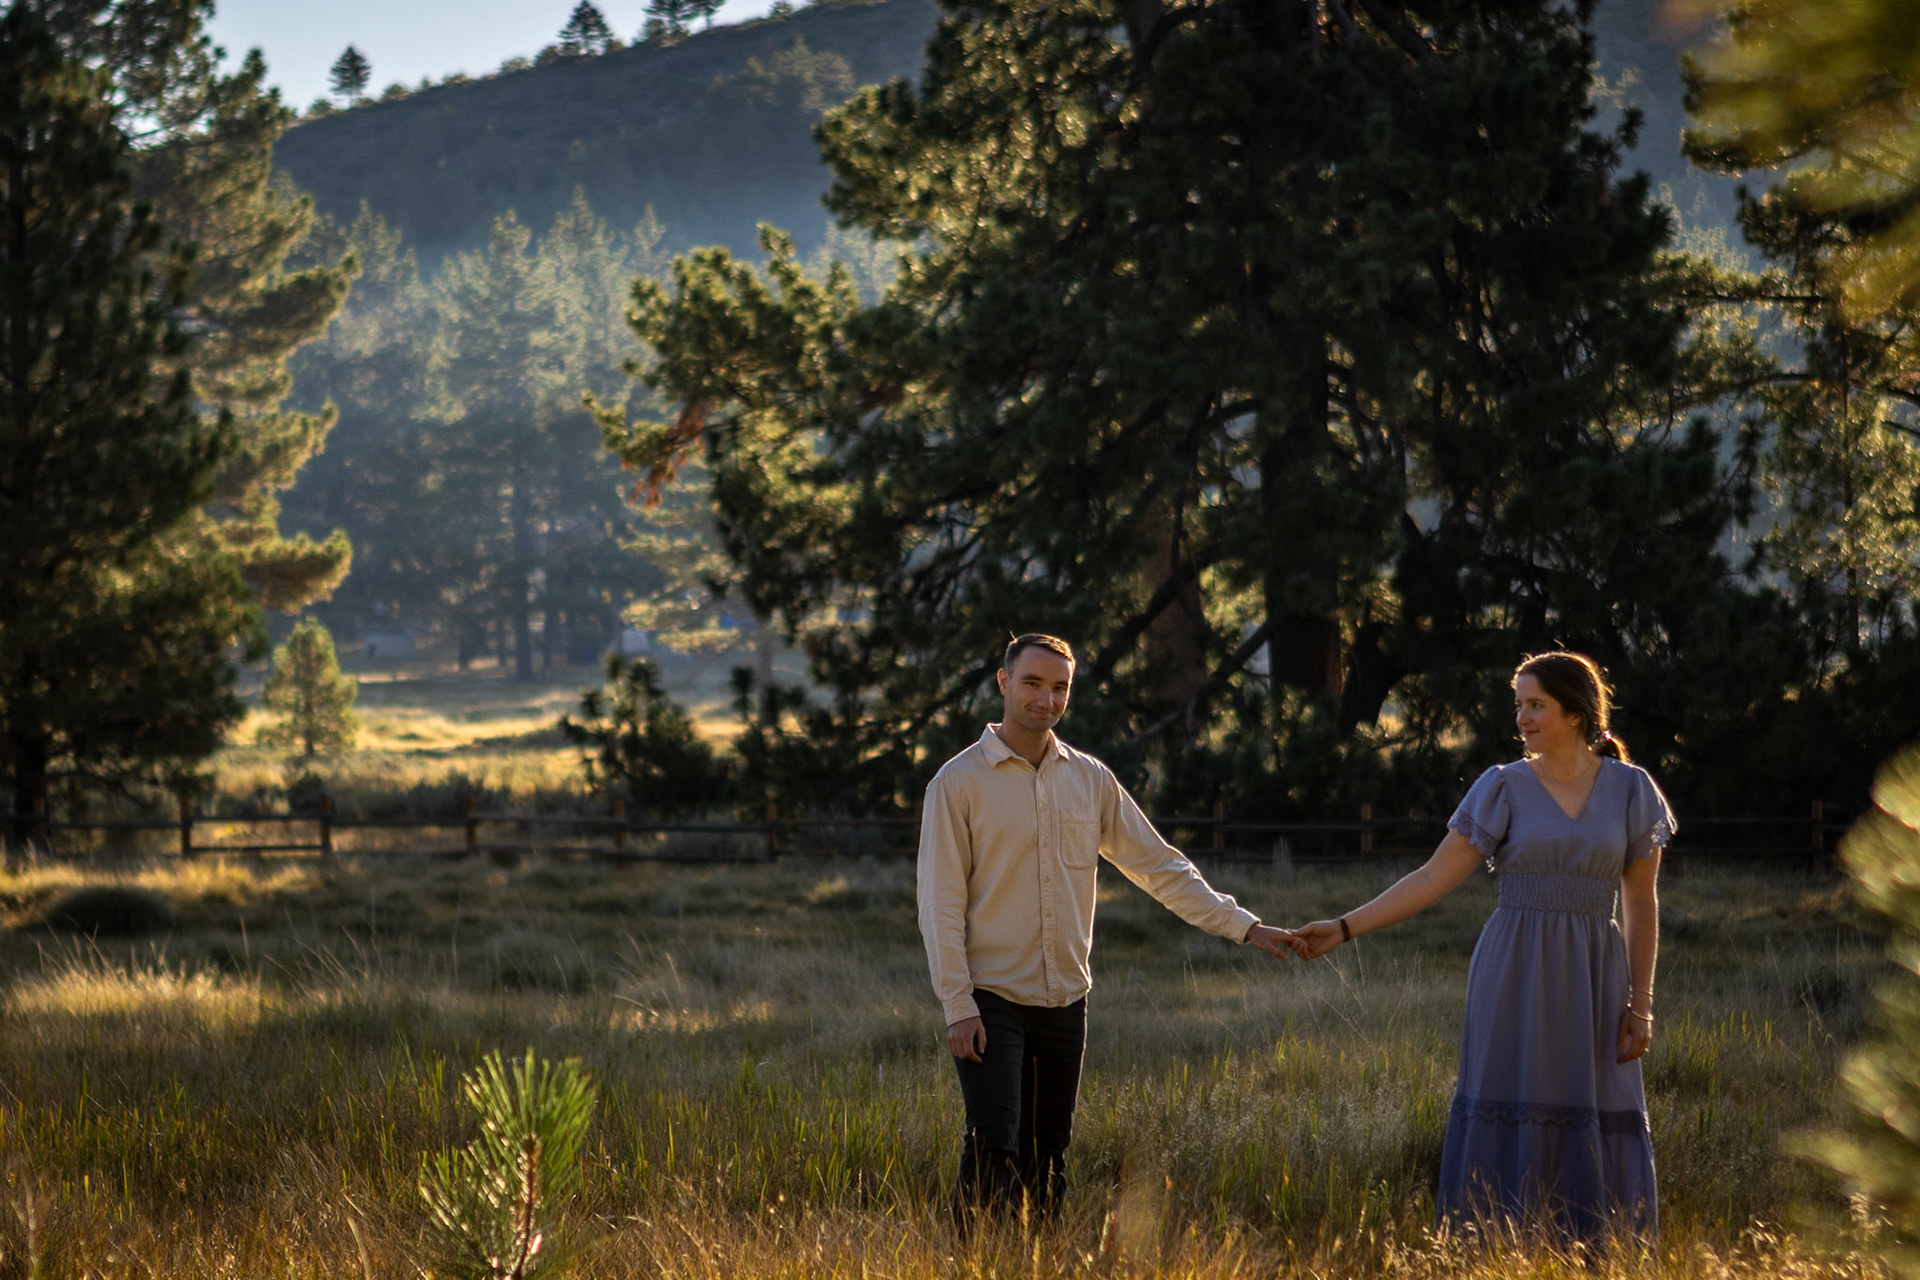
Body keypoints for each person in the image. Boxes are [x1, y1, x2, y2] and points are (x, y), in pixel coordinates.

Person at [1288, 650, 1671, 1241]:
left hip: (1596, 976)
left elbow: (1641, 902)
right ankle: (1498, 1246)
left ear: (1575, 712)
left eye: (1535, 705)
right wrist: (1342, 928)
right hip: (1513, 970)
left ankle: (1596, 1247)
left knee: (1595, 1104)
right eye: (1518, 705)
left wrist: (1640, 1002)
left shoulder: (1630, 789)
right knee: (1509, 1098)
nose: (1521, 718)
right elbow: (1431, 879)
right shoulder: (1502, 787)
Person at [917, 632, 1297, 1225]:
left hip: (1067, 997)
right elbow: (939, 902)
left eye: (1060, 687)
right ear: (1003, 682)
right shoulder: (957, 783)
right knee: (994, 1146)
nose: (1046, 700)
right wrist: (957, 1004)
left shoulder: (1090, 779)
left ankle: (1040, 1262)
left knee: (1050, 1157)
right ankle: (977, 1262)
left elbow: (1160, 867)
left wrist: (1246, 927)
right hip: (989, 997)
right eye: (1034, 684)